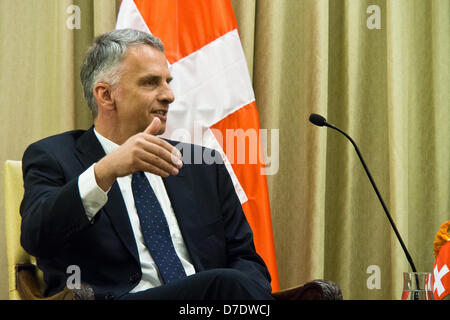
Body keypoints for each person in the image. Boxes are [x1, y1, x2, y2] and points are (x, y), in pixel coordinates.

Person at [19, 28, 273, 300]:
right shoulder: (53, 156)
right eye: (151, 83)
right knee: (222, 284)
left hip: (205, 304)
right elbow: (37, 236)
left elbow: (246, 260)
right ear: (105, 95)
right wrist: (105, 171)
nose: (169, 95)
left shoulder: (203, 165)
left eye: (168, 81)